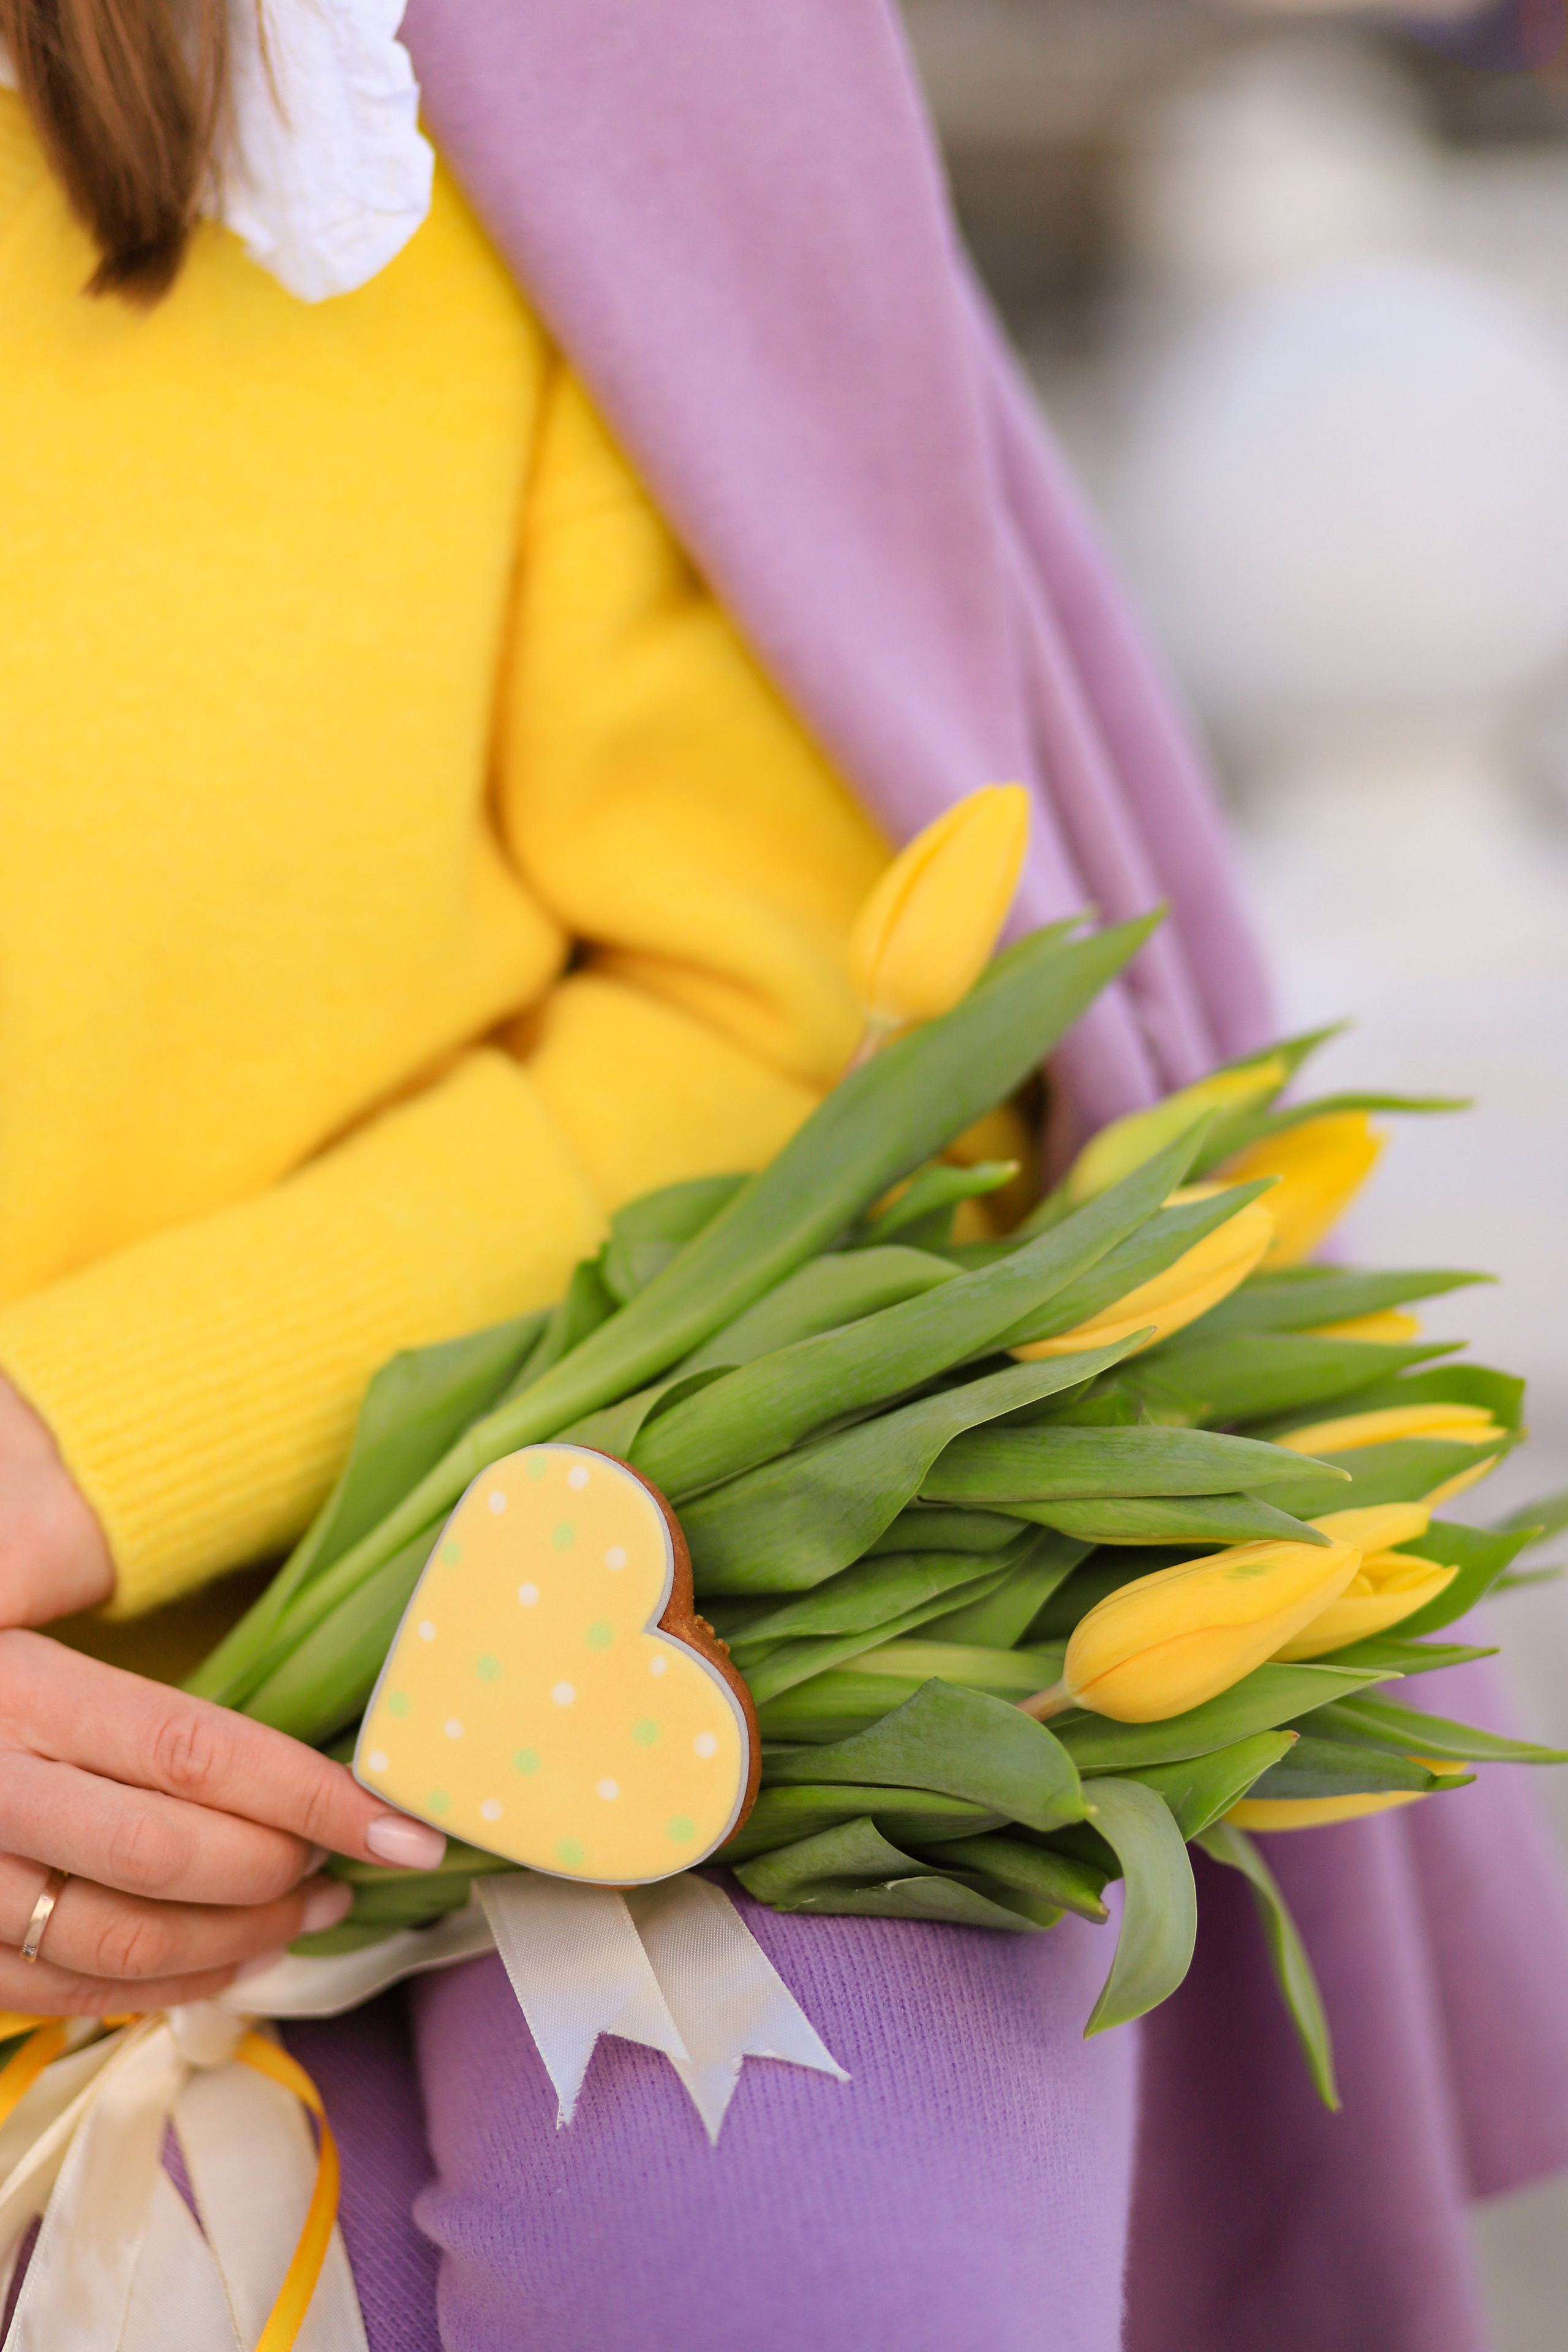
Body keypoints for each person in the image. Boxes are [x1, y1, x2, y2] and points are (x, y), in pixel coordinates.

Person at [2, 6, 1566, 2348]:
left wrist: (80, 1450)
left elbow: (782, 1002)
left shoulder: (501, 58)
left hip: (632, 1561)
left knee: (819, 2261)